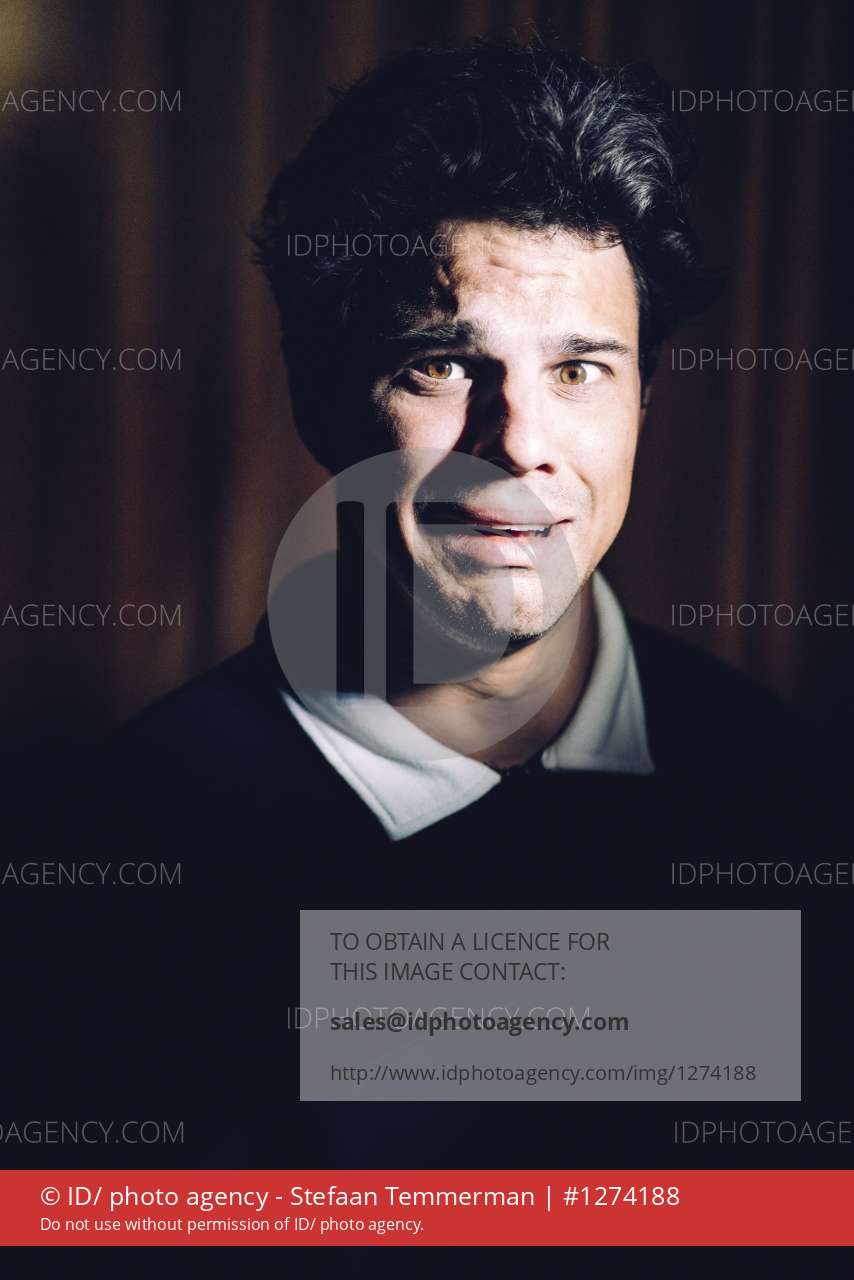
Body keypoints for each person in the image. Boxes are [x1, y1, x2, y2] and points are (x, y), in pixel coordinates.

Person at [29, 41, 832, 1196]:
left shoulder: (791, 792)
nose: (519, 444)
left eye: (579, 370)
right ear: (319, 395)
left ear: (644, 399)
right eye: (446, 364)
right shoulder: (119, 857)